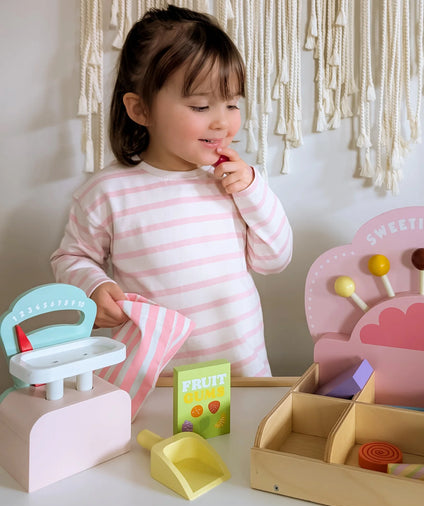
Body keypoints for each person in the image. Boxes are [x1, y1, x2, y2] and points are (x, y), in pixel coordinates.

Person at [51, 6, 292, 377]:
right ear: (141, 109)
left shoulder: (237, 183)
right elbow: (71, 257)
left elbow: (274, 260)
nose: (222, 121)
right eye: (200, 105)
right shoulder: (108, 192)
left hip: (241, 376)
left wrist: (253, 191)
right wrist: (95, 286)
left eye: (232, 103)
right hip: (153, 380)